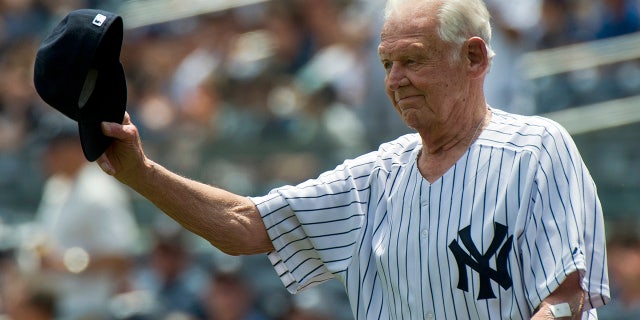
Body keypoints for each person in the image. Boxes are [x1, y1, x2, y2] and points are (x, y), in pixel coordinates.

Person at [96, 0, 610, 318]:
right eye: (387, 63)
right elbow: (244, 225)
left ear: (473, 58)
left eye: (413, 60)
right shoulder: (375, 176)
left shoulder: (538, 148)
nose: (395, 79)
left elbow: (565, 298)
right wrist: (140, 172)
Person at [34, 116, 141, 319]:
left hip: (92, 309)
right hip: (57, 305)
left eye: (54, 150)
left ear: (75, 149)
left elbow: (121, 254)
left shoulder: (99, 191)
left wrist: (69, 263)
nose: (46, 156)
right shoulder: (57, 186)